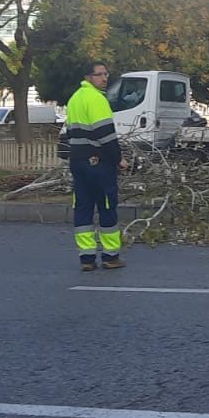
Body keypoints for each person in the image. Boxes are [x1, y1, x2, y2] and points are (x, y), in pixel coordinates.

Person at [65, 61, 128, 271]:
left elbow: (67, 134)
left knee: (82, 208)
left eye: (105, 74)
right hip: (99, 163)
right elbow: (106, 135)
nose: (104, 78)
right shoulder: (97, 99)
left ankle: (87, 259)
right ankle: (110, 256)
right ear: (88, 77)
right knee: (107, 206)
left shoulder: (74, 99)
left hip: (78, 162)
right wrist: (118, 158)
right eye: (99, 75)